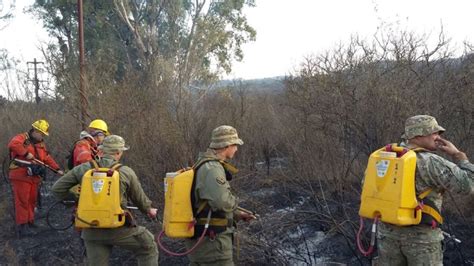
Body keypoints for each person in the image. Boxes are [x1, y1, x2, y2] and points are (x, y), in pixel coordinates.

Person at [376, 115, 474, 265]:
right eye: (434, 133)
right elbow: (469, 185)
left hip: (388, 236)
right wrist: (458, 155)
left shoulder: (385, 156)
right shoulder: (430, 162)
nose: (438, 137)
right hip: (421, 241)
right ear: (419, 134)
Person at [52, 135, 159, 265]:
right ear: (118, 153)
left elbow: (57, 189)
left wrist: (79, 199)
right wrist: (149, 210)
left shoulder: (83, 168)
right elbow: (139, 199)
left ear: (101, 151)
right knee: (148, 248)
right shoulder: (126, 172)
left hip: (91, 230)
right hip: (118, 228)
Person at [185, 125, 256, 266]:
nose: (236, 149)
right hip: (213, 245)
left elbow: (208, 204)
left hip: (206, 244)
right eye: (235, 145)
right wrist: (235, 203)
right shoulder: (212, 168)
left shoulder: (205, 164)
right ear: (227, 145)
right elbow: (221, 202)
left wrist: (237, 214)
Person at [8, 119, 63, 237]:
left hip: (33, 176)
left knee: (32, 200)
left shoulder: (41, 144)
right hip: (21, 174)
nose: (42, 136)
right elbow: (13, 144)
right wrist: (25, 153)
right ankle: (22, 226)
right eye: (41, 133)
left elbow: (46, 158)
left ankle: (30, 221)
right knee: (23, 200)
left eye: (43, 134)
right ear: (35, 131)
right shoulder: (22, 138)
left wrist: (57, 169)